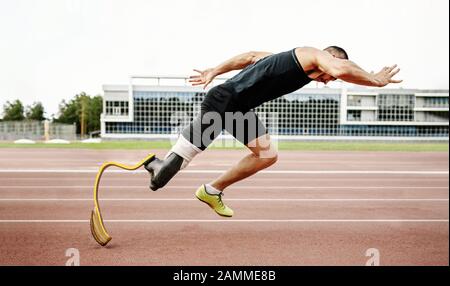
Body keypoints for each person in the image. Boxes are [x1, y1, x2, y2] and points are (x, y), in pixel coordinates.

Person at [144, 46, 402, 217]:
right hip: (224, 99)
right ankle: (155, 165)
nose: (329, 80)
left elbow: (249, 56)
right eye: (330, 76)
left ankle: (211, 191)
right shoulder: (314, 54)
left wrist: (215, 70)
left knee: (266, 154)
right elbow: (340, 68)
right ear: (329, 56)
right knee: (167, 171)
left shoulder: (288, 60)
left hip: (238, 107)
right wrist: (374, 79)